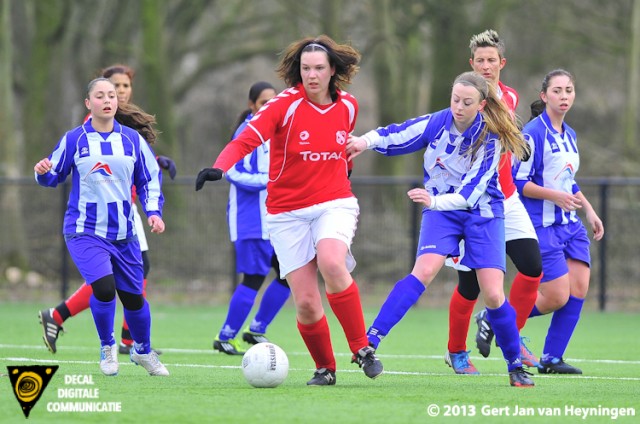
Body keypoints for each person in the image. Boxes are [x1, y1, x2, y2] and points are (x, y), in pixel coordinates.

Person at [195, 35, 383, 386]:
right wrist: (220, 167)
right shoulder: (283, 105)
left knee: (331, 261)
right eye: (305, 68)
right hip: (286, 213)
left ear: (332, 71)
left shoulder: (349, 106)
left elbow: (341, 147)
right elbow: (245, 140)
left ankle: (362, 349)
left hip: (334, 202)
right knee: (308, 304)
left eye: (319, 68)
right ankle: (326, 368)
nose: (312, 75)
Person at [347, 71, 534, 387]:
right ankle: (370, 341)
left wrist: (433, 202)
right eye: (455, 99)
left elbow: (469, 194)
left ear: (482, 104)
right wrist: (363, 142)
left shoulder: (491, 140)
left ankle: (515, 366)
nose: (458, 107)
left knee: (492, 293)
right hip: (442, 212)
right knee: (424, 271)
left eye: (466, 102)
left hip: (482, 213)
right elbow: (400, 134)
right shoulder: (439, 122)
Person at [34, 78, 169, 376]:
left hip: (124, 233)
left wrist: (153, 212)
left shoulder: (133, 140)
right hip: (84, 230)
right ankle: (108, 347)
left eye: (112, 95)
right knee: (105, 288)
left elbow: (149, 180)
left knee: (134, 298)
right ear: (88, 103)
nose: (108, 100)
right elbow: (52, 175)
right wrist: (42, 172)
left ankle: (143, 350)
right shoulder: (74, 139)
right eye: (100, 95)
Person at [444, 29, 543, 374]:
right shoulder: (464, 102)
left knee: (532, 268)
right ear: (471, 64)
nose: (486, 66)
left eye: (491, 60)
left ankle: (510, 335)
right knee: (470, 286)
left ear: (502, 63)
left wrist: (520, 141)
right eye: (480, 61)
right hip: (473, 205)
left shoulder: (510, 97)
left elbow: (507, 134)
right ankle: (456, 350)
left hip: (508, 198)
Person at [512, 69, 604, 374]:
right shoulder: (533, 134)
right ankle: (500, 319)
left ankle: (552, 358)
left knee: (578, 289)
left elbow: (568, 182)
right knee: (555, 295)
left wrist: (589, 210)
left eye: (568, 90)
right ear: (544, 96)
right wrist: (553, 196)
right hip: (541, 223)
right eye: (557, 91)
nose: (564, 96)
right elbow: (517, 182)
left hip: (570, 224)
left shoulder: (571, 134)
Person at [212, 81, 291, 355]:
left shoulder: (279, 129)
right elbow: (232, 172)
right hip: (252, 219)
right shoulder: (246, 132)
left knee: (288, 275)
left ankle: (257, 329)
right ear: (251, 105)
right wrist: (271, 181)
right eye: (262, 102)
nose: (268, 107)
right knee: (254, 278)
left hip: (278, 219)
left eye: (273, 101)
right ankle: (225, 336)